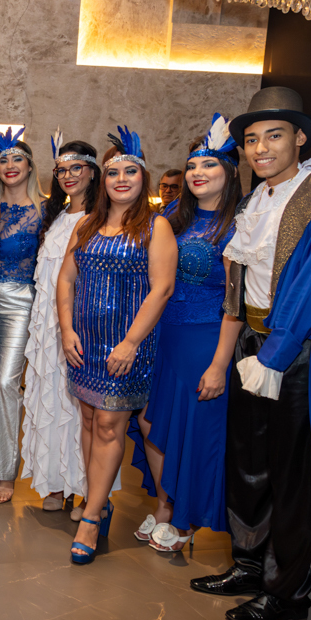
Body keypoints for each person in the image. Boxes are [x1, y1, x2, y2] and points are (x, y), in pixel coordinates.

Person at [190, 87, 311, 620]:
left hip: (299, 350)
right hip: (253, 342)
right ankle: (249, 565)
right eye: (251, 139)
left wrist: (277, 353)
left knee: (292, 471)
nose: (261, 148)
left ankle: (287, 591)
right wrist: (237, 351)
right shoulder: (252, 202)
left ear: (300, 139)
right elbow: (239, 282)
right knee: (247, 463)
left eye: (274, 135)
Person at [57, 127, 177, 565]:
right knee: (90, 422)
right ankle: (100, 502)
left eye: (131, 172)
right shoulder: (86, 224)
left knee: (109, 425)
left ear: (144, 178)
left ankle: (90, 517)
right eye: (113, 173)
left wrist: (129, 343)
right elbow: (66, 280)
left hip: (127, 348)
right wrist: (66, 330)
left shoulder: (156, 227)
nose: (121, 179)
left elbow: (161, 290)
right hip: (84, 346)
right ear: (103, 180)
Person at [131, 116, 244, 552]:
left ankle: (185, 519)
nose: (197, 172)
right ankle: (166, 504)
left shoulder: (238, 225)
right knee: (151, 422)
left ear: (229, 172)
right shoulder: (172, 216)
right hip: (163, 336)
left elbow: (236, 302)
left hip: (204, 340)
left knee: (193, 431)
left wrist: (219, 364)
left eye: (209, 165)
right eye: (193, 165)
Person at [20, 137, 100, 518]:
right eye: (62, 170)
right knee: (50, 397)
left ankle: (87, 490)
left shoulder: (100, 217)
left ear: (92, 172)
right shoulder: (55, 215)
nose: (68, 176)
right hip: (47, 323)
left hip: (80, 321)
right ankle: (55, 482)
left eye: (76, 168)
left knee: (80, 408)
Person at [0, 126, 44, 504]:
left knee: (5, 383)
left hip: (21, 301)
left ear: (30, 167)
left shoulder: (45, 209)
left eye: (18, 158)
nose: (10, 165)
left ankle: (4, 472)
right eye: (4, 159)